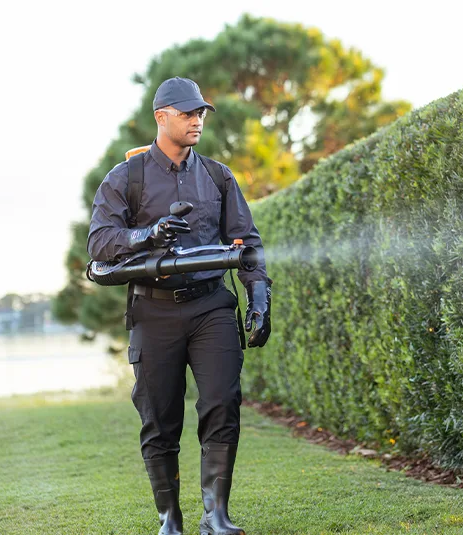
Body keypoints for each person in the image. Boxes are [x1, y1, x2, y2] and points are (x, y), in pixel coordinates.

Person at [87, 76, 271, 535]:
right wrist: (145, 236)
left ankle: (217, 517)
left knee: (222, 405)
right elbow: (99, 242)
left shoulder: (217, 175)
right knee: (159, 417)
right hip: (153, 310)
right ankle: (170, 519)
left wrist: (259, 296)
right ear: (161, 117)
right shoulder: (125, 178)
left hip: (211, 307)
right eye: (187, 113)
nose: (197, 120)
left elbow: (247, 241)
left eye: (201, 113)